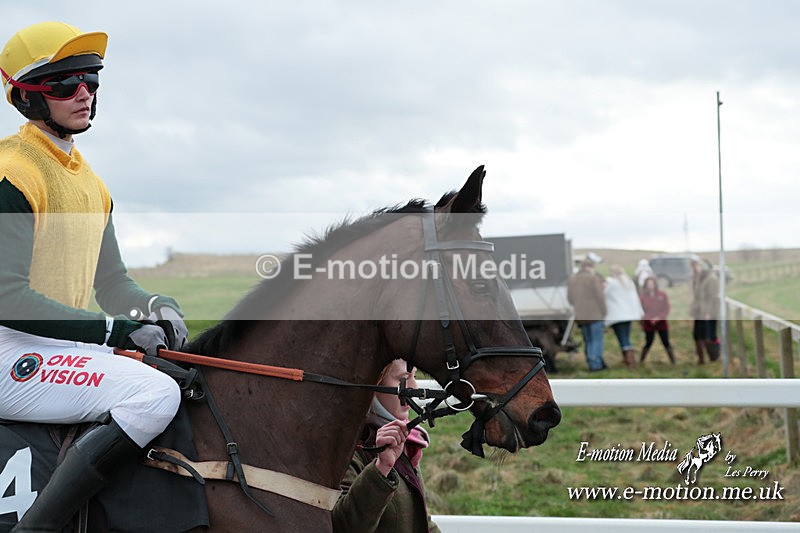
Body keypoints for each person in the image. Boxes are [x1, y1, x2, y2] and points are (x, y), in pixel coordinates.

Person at [0, 22, 188, 531]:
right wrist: (117, 331)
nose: (83, 93)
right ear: (26, 96)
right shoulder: (12, 173)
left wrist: (154, 306)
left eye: (91, 79)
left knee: (188, 379)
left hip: (53, 346)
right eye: (65, 83)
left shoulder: (94, 185)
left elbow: (112, 285)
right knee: (156, 395)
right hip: (9, 348)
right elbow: (9, 298)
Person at [332, 359, 440, 533]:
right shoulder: (348, 448)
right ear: (373, 385)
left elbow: (419, 520)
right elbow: (344, 527)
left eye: (414, 377)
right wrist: (381, 468)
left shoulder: (406, 442)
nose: (413, 388)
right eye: (403, 379)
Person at [567, 258, 607, 371]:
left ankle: (590, 361)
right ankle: (596, 365)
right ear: (590, 267)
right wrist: (604, 312)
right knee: (596, 340)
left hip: (581, 316)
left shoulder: (573, 280)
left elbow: (569, 299)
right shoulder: (593, 278)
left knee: (588, 340)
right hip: (595, 314)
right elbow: (600, 297)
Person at [603, 265, 644, 368]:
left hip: (617, 316)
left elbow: (604, 295)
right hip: (628, 315)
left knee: (623, 339)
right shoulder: (629, 283)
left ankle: (630, 361)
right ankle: (628, 359)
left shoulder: (613, 284)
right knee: (626, 337)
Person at [639, 276, 676, 364]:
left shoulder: (662, 295)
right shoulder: (642, 297)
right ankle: (641, 361)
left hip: (661, 323)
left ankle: (673, 361)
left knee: (665, 341)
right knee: (648, 342)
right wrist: (649, 319)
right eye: (648, 284)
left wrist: (659, 317)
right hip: (649, 324)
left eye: (652, 284)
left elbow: (666, 308)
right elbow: (641, 310)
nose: (650, 286)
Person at [690, 258, 720, 363]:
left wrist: (708, 313)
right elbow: (696, 293)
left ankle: (713, 358)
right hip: (699, 311)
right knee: (697, 335)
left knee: (708, 336)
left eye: (700, 265)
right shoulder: (701, 277)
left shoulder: (711, 279)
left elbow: (712, 298)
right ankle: (701, 359)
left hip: (707, 313)